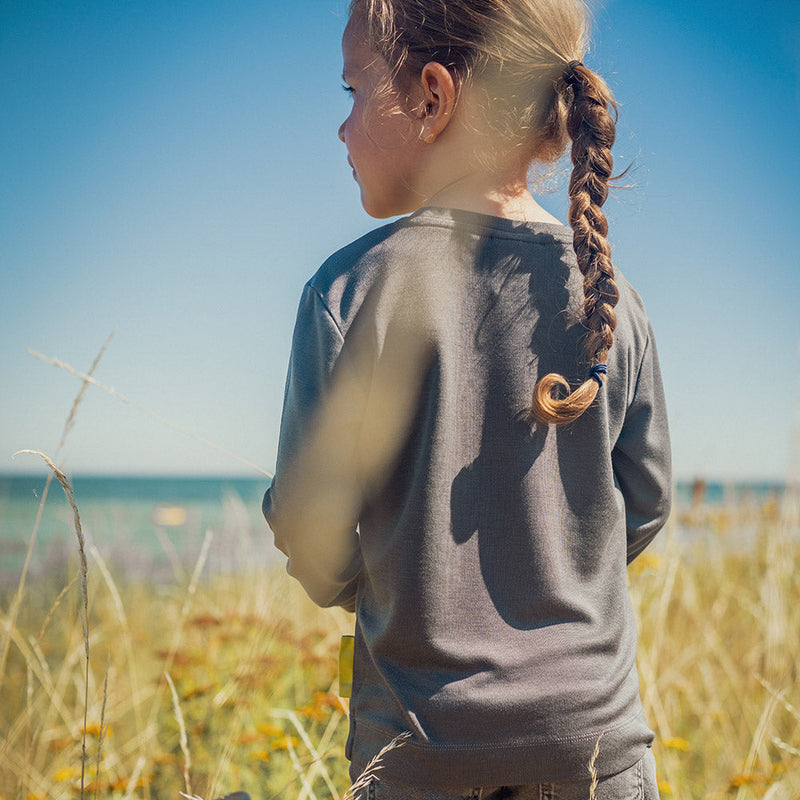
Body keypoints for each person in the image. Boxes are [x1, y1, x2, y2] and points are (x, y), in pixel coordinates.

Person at [263, 0, 672, 797]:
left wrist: (396, 585)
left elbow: (310, 535)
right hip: (593, 749)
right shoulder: (608, 297)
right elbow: (645, 505)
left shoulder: (348, 291)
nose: (341, 128)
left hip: (418, 756)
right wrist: (551, 574)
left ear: (432, 98)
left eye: (351, 91)